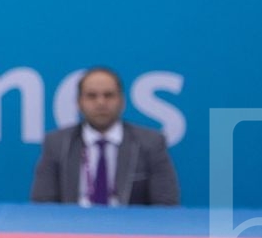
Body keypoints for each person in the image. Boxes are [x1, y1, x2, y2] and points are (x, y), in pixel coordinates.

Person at [31, 66, 180, 206]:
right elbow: (43, 204)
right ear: (79, 102)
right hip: (73, 228)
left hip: (130, 229)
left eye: (108, 95)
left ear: (122, 101)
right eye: (91, 96)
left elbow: (166, 204)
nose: (101, 102)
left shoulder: (151, 143)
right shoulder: (56, 143)